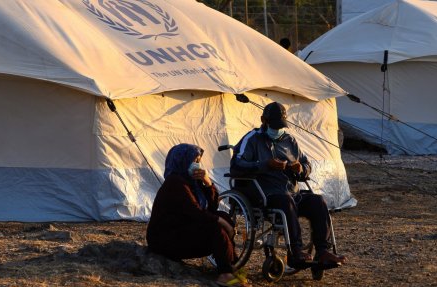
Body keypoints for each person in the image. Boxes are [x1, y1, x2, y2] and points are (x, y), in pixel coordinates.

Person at [230, 102, 347, 271]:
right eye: (275, 126)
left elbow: (306, 164)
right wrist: (265, 164)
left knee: (318, 202)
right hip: (264, 193)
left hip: (290, 192)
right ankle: (295, 252)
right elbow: (236, 166)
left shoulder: (289, 139)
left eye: (281, 126)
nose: (278, 130)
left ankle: (323, 251)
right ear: (264, 120)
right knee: (286, 202)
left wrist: (301, 169)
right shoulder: (252, 139)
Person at [146, 143, 248, 287]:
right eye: (194, 161)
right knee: (216, 227)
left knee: (222, 216)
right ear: (182, 161)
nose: (197, 165)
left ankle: (232, 264)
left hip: (181, 228)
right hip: (164, 238)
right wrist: (223, 224)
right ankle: (225, 274)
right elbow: (195, 212)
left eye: (198, 161)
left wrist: (207, 183)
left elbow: (212, 207)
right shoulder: (175, 182)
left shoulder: (192, 182)